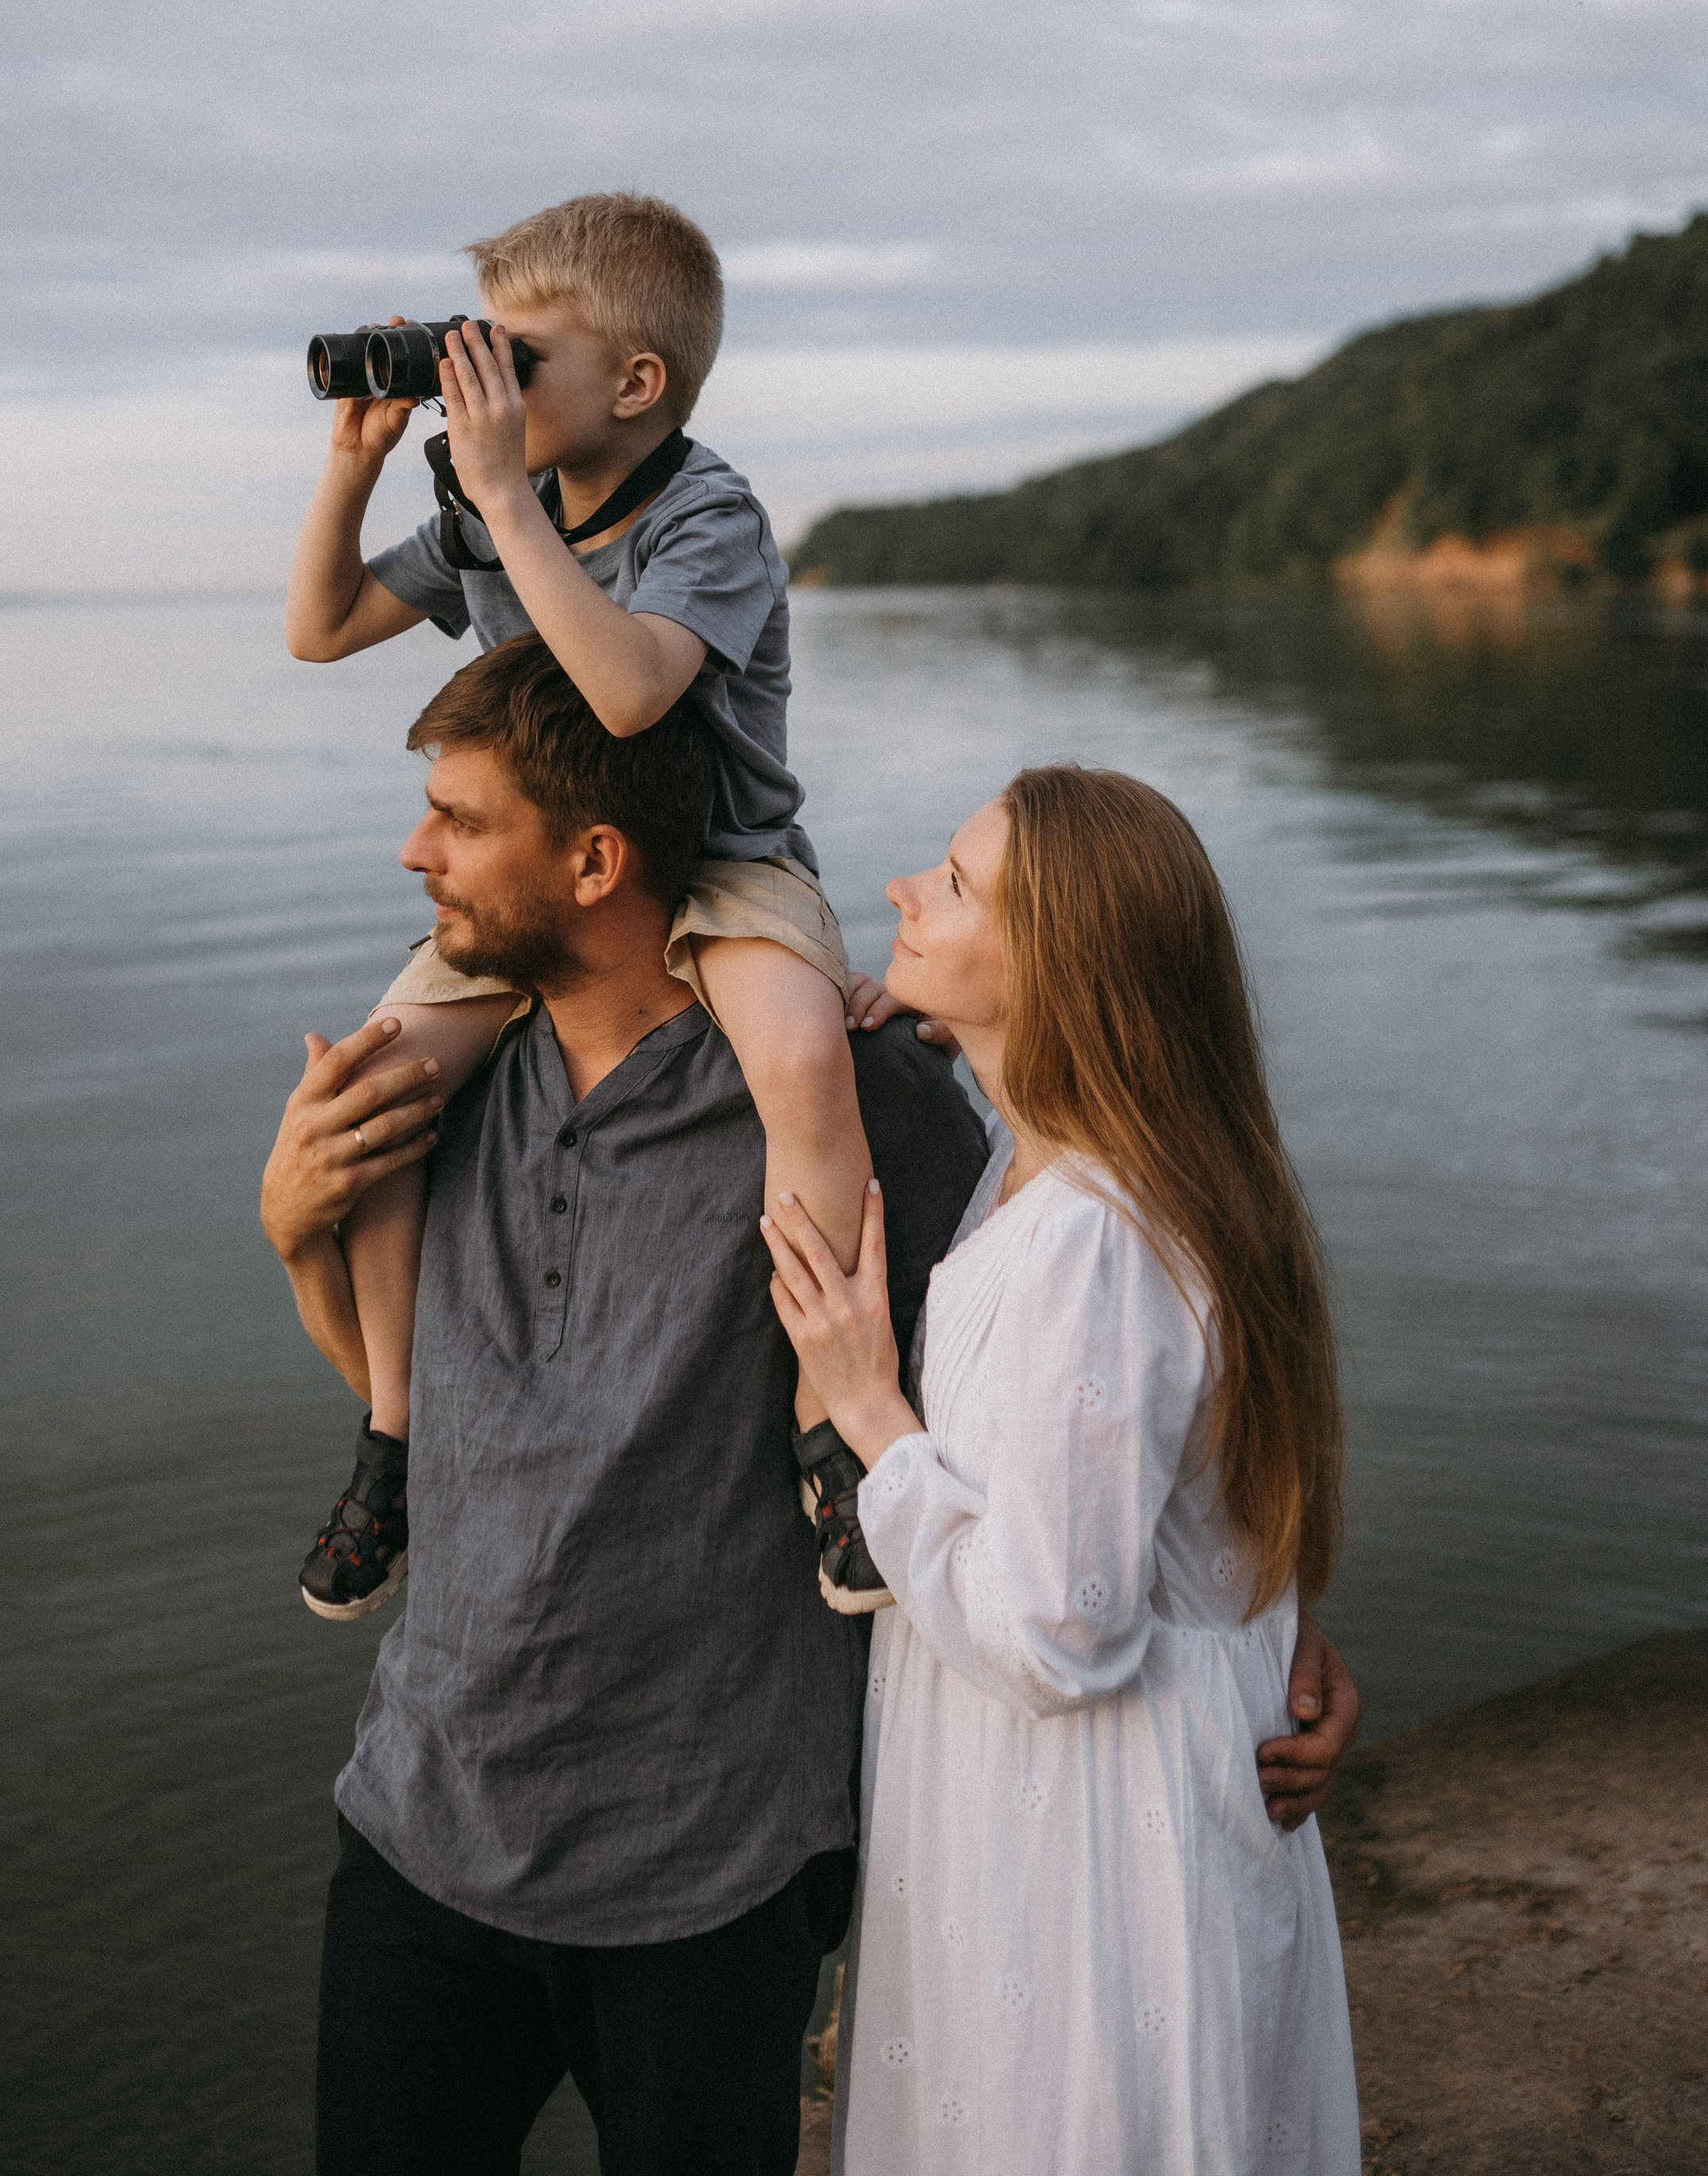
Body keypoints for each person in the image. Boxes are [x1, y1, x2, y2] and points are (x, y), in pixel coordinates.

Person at [260, 649, 1364, 2174]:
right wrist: (298, 1230)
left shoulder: (866, 1104)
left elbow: (1106, 1416)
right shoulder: (440, 1092)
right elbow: (446, 1426)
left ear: (595, 860)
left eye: (456, 818)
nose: (411, 854)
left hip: (711, 1869)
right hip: (423, 1831)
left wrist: (1262, 1623)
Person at [280, 190, 890, 1619]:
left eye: (516, 357)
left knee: (803, 1060)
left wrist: (496, 494)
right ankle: (396, 1436)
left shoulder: (711, 517)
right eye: (472, 353)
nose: (479, 385)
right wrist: (355, 464)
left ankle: (835, 1429)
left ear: (637, 383)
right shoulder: (495, 513)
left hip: (726, 859)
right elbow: (316, 632)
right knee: (374, 1097)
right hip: (540, 878)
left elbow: (628, 691)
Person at [764, 766, 1361, 2174]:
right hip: (1134, 1789)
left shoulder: (1087, 1235)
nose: (905, 888)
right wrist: (923, 1011)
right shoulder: (1088, 1168)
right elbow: (1182, 1506)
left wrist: (871, 1414)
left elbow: (1053, 1627)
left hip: (1097, 1842)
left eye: (957, 886)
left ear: (1067, 972)